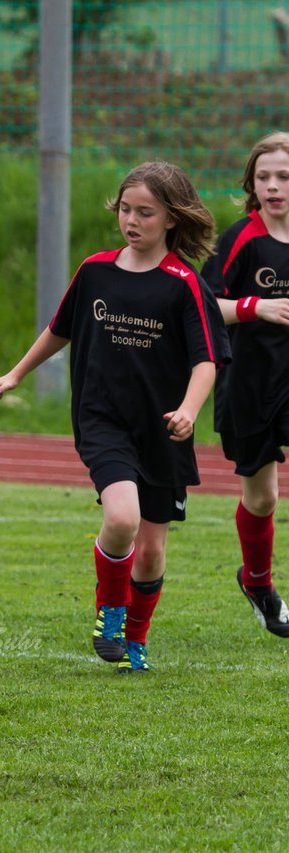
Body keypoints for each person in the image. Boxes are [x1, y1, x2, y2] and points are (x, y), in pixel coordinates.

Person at [0, 161, 227, 674]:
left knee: (152, 552)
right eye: (125, 210)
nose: (132, 221)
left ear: (172, 219)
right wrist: (15, 374)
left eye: (146, 213)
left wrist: (188, 410)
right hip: (102, 419)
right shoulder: (94, 270)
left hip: (162, 428)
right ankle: (110, 612)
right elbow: (60, 327)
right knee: (120, 518)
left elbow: (207, 359)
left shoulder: (184, 284)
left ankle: (136, 640)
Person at [201, 132, 289, 638]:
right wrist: (257, 307)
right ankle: (258, 582)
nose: (273, 187)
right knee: (262, 499)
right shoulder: (239, 241)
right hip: (249, 384)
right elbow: (201, 304)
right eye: (264, 178)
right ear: (251, 185)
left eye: (283, 177)